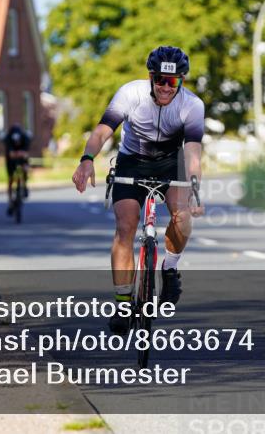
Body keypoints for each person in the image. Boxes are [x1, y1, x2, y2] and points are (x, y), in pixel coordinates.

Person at [71, 45, 205, 335]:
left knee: (182, 219)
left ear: (181, 81)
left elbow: (193, 151)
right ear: (150, 78)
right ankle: (122, 302)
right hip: (132, 162)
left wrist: (194, 185)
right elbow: (103, 130)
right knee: (125, 226)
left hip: (171, 163)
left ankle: (169, 268)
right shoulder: (130, 94)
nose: (166, 88)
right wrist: (86, 160)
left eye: (173, 82)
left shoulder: (192, 105)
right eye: (160, 80)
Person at [3, 123, 32, 216]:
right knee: (11, 178)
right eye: (15, 142)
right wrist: (18, 153)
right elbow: (10, 154)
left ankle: (25, 185)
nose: (17, 143)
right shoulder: (8, 139)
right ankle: (11, 201)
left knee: (26, 168)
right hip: (10, 160)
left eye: (18, 142)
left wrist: (22, 155)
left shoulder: (25, 138)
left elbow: (26, 154)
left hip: (21, 157)